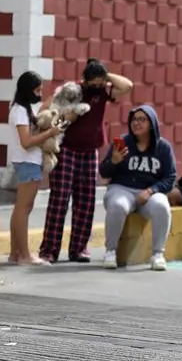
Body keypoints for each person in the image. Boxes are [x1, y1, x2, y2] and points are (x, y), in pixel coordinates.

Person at [40, 58, 133, 263]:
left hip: (90, 151)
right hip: (67, 149)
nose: (98, 86)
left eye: (101, 83)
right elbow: (48, 108)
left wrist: (105, 75)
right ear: (85, 80)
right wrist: (68, 116)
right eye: (95, 82)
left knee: (86, 201)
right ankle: (49, 249)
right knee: (59, 200)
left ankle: (79, 248)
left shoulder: (102, 91)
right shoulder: (72, 91)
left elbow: (127, 86)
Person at [99, 105, 177, 271]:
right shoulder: (123, 142)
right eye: (134, 119)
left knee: (162, 206)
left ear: (152, 123)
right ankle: (110, 251)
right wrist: (113, 161)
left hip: (148, 192)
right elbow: (104, 172)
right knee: (117, 205)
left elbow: (170, 178)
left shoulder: (163, 147)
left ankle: (158, 254)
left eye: (142, 119)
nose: (137, 123)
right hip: (121, 188)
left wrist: (151, 191)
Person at [8, 71, 64, 266]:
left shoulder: (23, 109)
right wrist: (52, 132)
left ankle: (16, 253)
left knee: (22, 208)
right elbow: (26, 142)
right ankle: (24, 255)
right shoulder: (19, 111)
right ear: (27, 89)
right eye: (37, 90)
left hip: (28, 161)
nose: (40, 93)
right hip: (27, 161)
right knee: (23, 209)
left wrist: (50, 101)